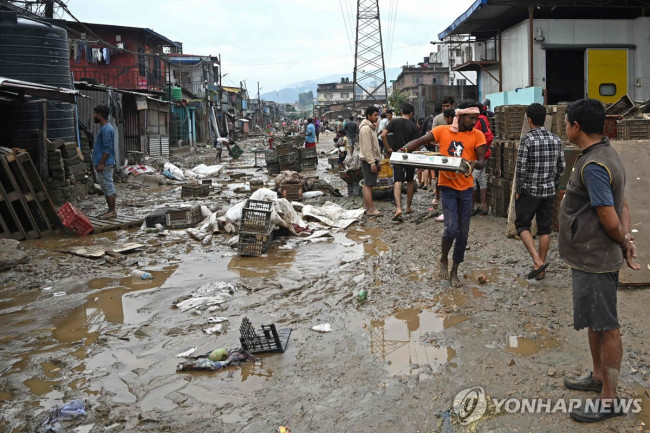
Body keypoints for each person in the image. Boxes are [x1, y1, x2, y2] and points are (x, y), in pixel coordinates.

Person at [558, 99, 639, 423]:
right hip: (588, 255)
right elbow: (623, 202)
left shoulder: (594, 165)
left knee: (607, 326)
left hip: (596, 257)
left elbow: (609, 215)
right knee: (595, 320)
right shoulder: (601, 154)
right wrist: (627, 240)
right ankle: (597, 377)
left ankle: (610, 399)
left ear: (576, 126)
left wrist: (623, 242)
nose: (565, 128)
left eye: (566, 123)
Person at [403, 100, 487, 287]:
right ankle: (443, 258)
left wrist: (472, 164)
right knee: (451, 228)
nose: (474, 121)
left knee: (463, 233)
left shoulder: (478, 135)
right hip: (447, 187)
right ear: (460, 116)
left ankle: (455, 269)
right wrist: (404, 151)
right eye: (470, 118)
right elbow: (419, 141)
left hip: (466, 189)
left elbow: (481, 161)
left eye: (476, 118)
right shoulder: (442, 131)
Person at [515, 103, 565, 280]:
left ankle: (537, 261)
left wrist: (518, 189)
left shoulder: (527, 140)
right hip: (549, 191)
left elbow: (520, 168)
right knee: (544, 229)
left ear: (529, 120)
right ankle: (541, 270)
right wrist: (553, 183)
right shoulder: (556, 139)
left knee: (522, 225)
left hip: (529, 190)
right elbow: (562, 167)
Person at [381, 103, 420, 220]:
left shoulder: (394, 122)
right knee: (409, 181)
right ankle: (408, 207)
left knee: (397, 181)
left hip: (397, 154)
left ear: (401, 111)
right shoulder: (414, 126)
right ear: (411, 113)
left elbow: (383, 135)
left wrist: (388, 148)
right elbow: (417, 144)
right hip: (410, 156)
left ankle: (398, 208)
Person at [92, 105, 117, 220]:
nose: (94, 116)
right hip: (104, 163)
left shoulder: (106, 129)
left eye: (95, 114)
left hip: (105, 164)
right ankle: (110, 210)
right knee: (106, 186)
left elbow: (108, 148)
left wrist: (101, 163)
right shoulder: (105, 128)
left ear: (100, 115)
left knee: (108, 185)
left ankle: (112, 211)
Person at [359, 106, 382, 216]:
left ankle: (367, 207)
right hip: (368, 160)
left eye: (378, 115)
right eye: (375, 115)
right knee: (368, 185)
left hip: (371, 159)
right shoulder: (366, 129)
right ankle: (371, 209)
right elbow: (367, 148)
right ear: (369, 116)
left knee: (366, 184)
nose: (377, 117)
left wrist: (378, 161)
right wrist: (372, 162)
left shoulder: (371, 127)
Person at [472, 102, 495, 215]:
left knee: (471, 179)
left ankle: (472, 206)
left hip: (480, 156)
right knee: (481, 178)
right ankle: (483, 206)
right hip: (479, 155)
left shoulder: (481, 119)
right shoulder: (479, 119)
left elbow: (489, 136)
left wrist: (483, 152)